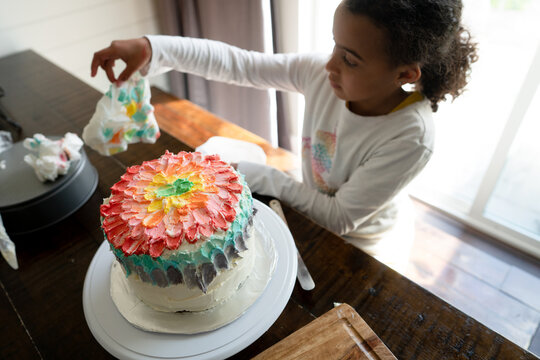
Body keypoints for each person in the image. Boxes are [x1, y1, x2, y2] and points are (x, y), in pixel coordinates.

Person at [91, 0, 477, 271]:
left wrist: (258, 174)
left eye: (350, 58)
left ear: (405, 74)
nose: (329, 64)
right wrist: (152, 47)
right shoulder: (325, 75)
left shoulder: (411, 136)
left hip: (362, 248)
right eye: (335, 46)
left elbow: (341, 217)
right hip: (309, 210)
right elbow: (241, 65)